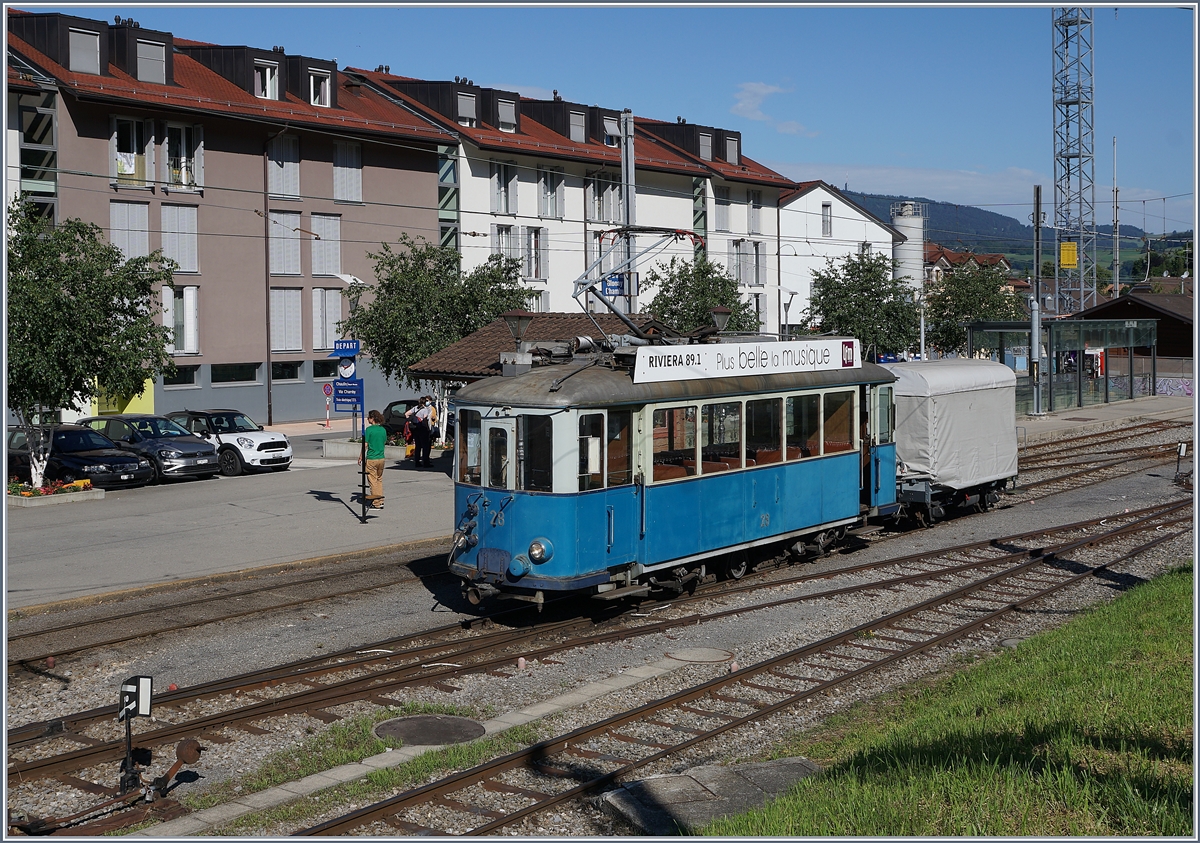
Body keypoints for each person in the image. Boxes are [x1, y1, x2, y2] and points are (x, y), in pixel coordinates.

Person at [359, 409, 387, 509]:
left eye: (368, 417)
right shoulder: (383, 430)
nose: (367, 419)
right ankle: (381, 500)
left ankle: (376, 502)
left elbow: (365, 444)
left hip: (372, 458)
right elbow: (384, 442)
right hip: (381, 458)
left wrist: (361, 456)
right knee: (379, 479)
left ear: (372, 418)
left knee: (372, 481)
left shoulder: (369, 430)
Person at [406, 397, 433, 468]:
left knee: (418, 446)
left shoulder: (415, 408)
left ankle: (417, 462)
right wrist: (427, 429)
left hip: (415, 429)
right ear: (425, 402)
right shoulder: (425, 410)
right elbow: (425, 420)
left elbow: (406, 414)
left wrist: (410, 420)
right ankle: (425, 462)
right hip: (422, 429)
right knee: (425, 446)